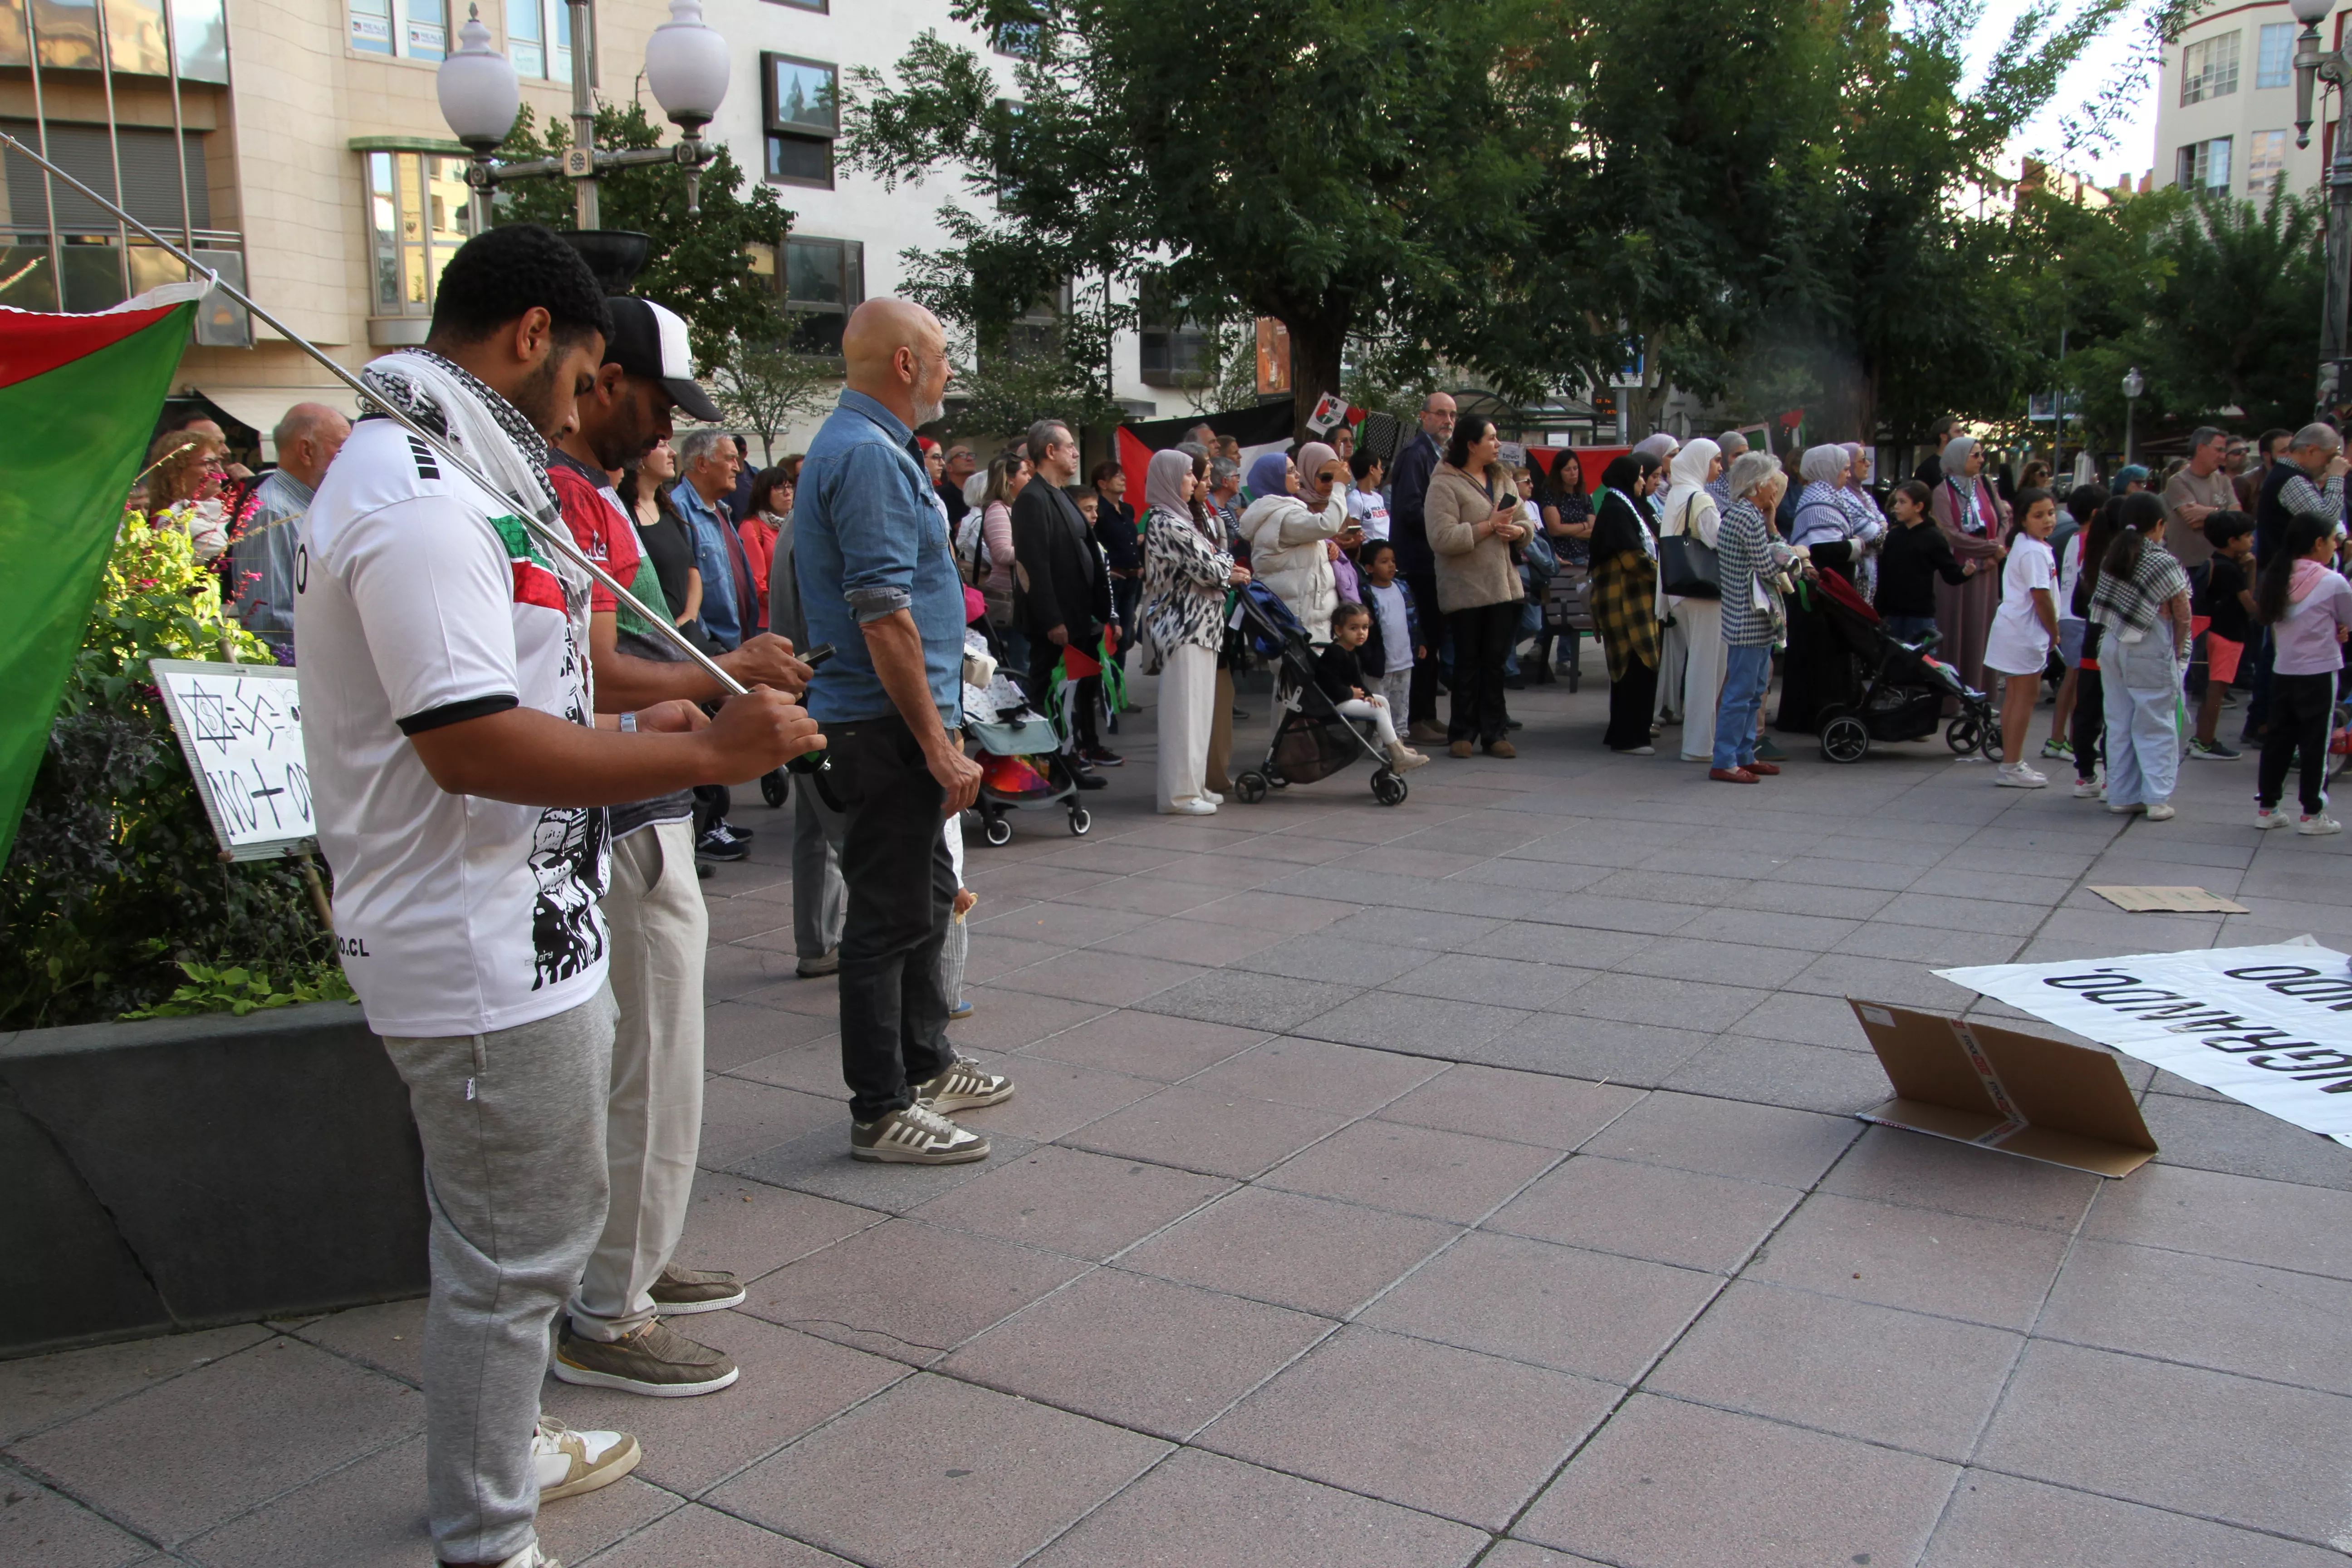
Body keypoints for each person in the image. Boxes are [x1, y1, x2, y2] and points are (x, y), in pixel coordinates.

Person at [295, 225, 821, 1568]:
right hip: (471, 952)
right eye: (586, 370)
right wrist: (709, 748)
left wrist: (697, 697)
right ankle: (489, 1533)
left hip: (529, 929)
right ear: (533, 336)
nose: (590, 403)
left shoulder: (470, 477)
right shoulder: (415, 495)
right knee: (512, 1251)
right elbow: (470, 739)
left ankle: (509, 1444)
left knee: (521, 1223)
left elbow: (554, 679)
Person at [544, 294, 812, 1399]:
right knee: (650, 1066)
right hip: (625, 815)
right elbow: (587, 668)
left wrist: (717, 670)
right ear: (599, 375)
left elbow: (614, 655)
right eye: (656, 404)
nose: (664, 431)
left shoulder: (582, 489)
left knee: (648, 1065)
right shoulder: (558, 491)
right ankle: (610, 1300)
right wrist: (716, 686)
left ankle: (626, 1262)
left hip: (636, 805)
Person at [794, 296, 1011, 1165]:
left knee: (922, 898)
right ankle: (880, 1107)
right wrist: (935, 741)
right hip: (880, 726)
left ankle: (922, 1064)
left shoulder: (869, 448)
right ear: (904, 366)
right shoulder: (868, 457)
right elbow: (882, 613)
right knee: (884, 919)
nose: (949, 368)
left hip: (888, 719)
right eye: (941, 354)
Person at [1139, 446, 1247, 813]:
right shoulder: (1164, 521)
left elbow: (1218, 556)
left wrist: (1223, 565)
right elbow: (1211, 568)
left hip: (1202, 624)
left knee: (1201, 712)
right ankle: (1179, 795)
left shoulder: (1182, 517)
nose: (1194, 481)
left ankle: (1195, 786)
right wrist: (1225, 569)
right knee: (1184, 714)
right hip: (1182, 624)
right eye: (1188, 474)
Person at [1012, 419, 1117, 775]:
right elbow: (1033, 566)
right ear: (1050, 451)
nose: (1075, 452)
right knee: (1050, 695)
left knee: (1073, 695)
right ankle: (1051, 767)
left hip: (1079, 619)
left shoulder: (1061, 494)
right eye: (1069, 446)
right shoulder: (1032, 499)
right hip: (1055, 624)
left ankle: (1068, 761)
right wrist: (1052, 619)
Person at [1424, 413, 1528, 758]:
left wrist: (1518, 532)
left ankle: (1494, 732)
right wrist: (1488, 526)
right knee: (1467, 661)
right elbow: (1441, 537)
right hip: (1466, 588)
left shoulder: (1503, 478)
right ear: (1471, 445)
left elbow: (1527, 522)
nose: (1498, 445)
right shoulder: (1444, 483)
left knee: (1496, 661)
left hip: (1503, 585)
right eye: (1491, 438)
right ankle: (1463, 732)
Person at [2087, 490, 2191, 820]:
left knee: (2118, 720)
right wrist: (2179, 650)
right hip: (2149, 642)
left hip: (2112, 644)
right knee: (2156, 721)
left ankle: (2120, 793)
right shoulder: (2162, 560)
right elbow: (2182, 610)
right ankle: (2157, 798)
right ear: (2159, 524)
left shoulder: (2112, 555)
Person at [2252, 513, 2352, 833]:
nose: (2336, 546)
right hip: (2319, 672)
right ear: (2319, 543)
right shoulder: (2332, 581)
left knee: (2279, 739)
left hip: (2284, 670)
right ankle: (2312, 812)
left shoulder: (2277, 577)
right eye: (2333, 540)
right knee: (2315, 742)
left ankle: (2267, 809)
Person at [227, 402, 351, 661]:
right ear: (306, 451)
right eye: (342, 446)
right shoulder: (272, 512)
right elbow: (271, 620)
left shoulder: (308, 503)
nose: (352, 456)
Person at [1709, 451, 1793, 784]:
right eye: (1772, 482)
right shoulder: (1746, 516)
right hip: (1747, 617)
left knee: (1755, 691)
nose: (1776, 489)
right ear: (1757, 485)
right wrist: (1783, 547)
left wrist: (1771, 528)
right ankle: (1725, 759)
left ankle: (1743, 753)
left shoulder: (1750, 514)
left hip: (1756, 618)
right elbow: (1771, 565)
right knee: (1741, 693)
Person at [1775, 445, 1864, 734]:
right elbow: (1825, 549)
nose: (1847, 474)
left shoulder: (1827, 496)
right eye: (1844, 468)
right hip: (1820, 597)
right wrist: (1858, 546)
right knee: (1818, 658)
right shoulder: (1819, 502)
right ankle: (1817, 716)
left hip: (1825, 596)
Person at [1389, 392, 1457, 742]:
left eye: (1453, 415)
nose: (1447, 421)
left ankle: (1428, 714)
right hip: (1417, 563)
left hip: (1434, 561)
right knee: (1423, 642)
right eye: (1441, 414)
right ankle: (1415, 718)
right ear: (1424, 417)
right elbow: (1410, 509)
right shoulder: (1417, 454)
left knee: (1434, 640)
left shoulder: (1439, 455)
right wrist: (1447, 525)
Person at [1985, 486, 2060, 789]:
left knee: (2017, 697)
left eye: (2051, 513)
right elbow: (2041, 597)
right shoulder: (2032, 551)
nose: (2047, 520)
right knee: (2024, 698)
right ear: (2023, 519)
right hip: (2024, 631)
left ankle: (2011, 762)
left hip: (2017, 629)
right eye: (2038, 515)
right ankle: (2012, 764)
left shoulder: (2030, 546)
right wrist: (2055, 632)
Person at [1657, 439, 1725, 763]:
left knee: (1699, 665)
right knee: (1706, 668)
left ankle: (1698, 743)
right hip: (1704, 593)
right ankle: (1700, 745)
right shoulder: (1700, 499)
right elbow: (1721, 541)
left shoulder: (1677, 493)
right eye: (1717, 461)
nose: (1720, 468)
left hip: (1680, 592)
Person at [1590, 451, 1663, 753]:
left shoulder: (1623, 506)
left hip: (1630, 599)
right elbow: (1632, 558)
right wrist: (1665, 574)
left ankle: (1626, 731)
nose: (1644, 481)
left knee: (1635, 667)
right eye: (1641, 475)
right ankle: (1628, 737)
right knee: (1633, 665)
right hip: (1625, 602)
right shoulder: (1617, 510)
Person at [1241, 444, 1349, 643]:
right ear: (1274, 478)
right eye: (1291, 471)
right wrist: (1340, 486)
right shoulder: (1282, 517)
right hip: (1301, 621)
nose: (1298, 475)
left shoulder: (1282, 512)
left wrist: (1323, 545)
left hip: (1306, 617)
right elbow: (1329, 525)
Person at [1930, 434, 2009, 697]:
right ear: (1958, 459)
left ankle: (1980, 693)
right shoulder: (1942, 492)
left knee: (1982, 630)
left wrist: (1996, 551)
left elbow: (2003, 519)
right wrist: (1991, 549)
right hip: (1958, 571)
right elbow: (1951, 534)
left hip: (1987, 570)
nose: (1981, 460)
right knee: (1955, 628)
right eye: (1975, 455)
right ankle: (1952, 696)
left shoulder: (1985, 484)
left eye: (1981, 454)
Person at [1316, 603, 1429, 771]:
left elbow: (1358, 681)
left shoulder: (1351, 651)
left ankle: (1396, 746)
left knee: (1381, 700)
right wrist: (1349, 693)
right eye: (1354, 628)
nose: (1361, 633)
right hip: (1336, 701)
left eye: (1365, 627)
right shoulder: (1334, 653)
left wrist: (1367, 695)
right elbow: (1326, 682)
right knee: (1378, 710)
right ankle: (1398, 755)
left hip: (1347, 697)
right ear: (1339, 630)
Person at [671, 428, 755, 652]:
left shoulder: (721, 509)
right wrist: (710, 647)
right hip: (717, 654)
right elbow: (682, 590)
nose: (738, 467)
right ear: (702, 464)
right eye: (730, 459)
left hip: (739, 645)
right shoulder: (678, 510)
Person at [2065, 491, 2123, 799]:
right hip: (2117, 643)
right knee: (2117, 711)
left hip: (2091, 643)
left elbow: (2077, 606)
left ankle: (2085, 774)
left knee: (2088, 709)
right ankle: (2116, 775)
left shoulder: (2092, 556)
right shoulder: (2125, 558)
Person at [2043, 481, 2104, 764]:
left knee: (2073, 679)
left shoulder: (2073, 538)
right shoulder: (2090, 541)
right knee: (2078, 681)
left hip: (2068, 615)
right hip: (2079, 617)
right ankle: (2063, 738)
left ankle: (2060, 738)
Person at [2188, 510, 2257, 762]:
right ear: (2232, 541)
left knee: (2212, 690)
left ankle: (2202, 737)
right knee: (2217, 691)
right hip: (2227, 635)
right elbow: (2249, 603)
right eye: (2248, 536)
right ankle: (2206, 740)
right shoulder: (2230, 570)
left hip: (2211, 632)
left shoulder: (2214, 562)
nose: (2251, 541)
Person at [1877, 479, 1972, 646]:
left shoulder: (1933, 537)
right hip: (1893, 614)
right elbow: (1884, 575)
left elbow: (1950, 572)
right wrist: (1879, 609)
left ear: (1919, 507)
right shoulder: (1894, 536)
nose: (1896, 507)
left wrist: (1964, 572)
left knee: (1917, 664)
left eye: (1902, 502)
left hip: (1919, 616)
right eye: (1896, 502)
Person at [620, 441, 701, 634]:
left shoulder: (669, 510)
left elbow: (692, 571)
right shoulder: (621, 513)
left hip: (684, 634)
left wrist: (689, 617)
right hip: (650, 638)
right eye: (663, 445)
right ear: (640, 457)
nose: (673, 452)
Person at [965, 449, 1026, 653]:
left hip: (1019, 594)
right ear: (1009, 479)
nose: (1029, 479)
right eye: (1024, 474)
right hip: (1008, 596)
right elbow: (1002, 553)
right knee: (1019, 658)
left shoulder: (1012, 507)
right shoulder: (999, 510)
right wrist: (1038, 550)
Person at [1092, 458, 1142, 696]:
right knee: (1110, 636)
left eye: (1123, 474)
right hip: (1111, 581)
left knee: (1125, 638)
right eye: (1117, 476)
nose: (1124, 479)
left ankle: (1117, 693)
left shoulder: (1127, 509)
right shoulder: (1097, 511)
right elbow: (1090, 543)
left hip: (1132, 580)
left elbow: (1131, 540)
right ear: (1102, 483)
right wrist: (1103, 570)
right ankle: (1103, 694)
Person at [144, 426, 231, 562]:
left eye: (218, 462)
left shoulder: (215, 512)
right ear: (176, 472)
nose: (220, 471)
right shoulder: (180, 522)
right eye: (208, 463)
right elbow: (242, 557)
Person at [1359, 537, 1421, 718]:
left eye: (1393, 561)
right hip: (1382, 663)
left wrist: (1420, 642)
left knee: (1401, 706)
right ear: (1369, 568)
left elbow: (1413, 617)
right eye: (1384, 562)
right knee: (1379, 705)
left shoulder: (1402, 587)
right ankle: (1378, 744)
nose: (1391, 566)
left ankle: (1399, 740)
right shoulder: (1367, 594)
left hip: (1404, 659)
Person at [736, 466, 794, 630]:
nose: (787, 492)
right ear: (763, 493)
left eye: (790, 486)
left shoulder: (796, 524)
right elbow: (757, 584)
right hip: (767, 622)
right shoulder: (752, 527)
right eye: (779, 487)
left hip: (798, 617)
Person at [1347, 446, 1391, 542]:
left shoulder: (1378, 497)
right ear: (1372, 469)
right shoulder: (1355, 500)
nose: (1382, 472)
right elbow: (1353, 538)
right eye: (1380, 467)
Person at [938, 443, 976, 532]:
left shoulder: (981, 491)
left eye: (971, 455)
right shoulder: (944, 495)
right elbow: (964, 530)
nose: (969, 459)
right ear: (949, 467)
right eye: (962, 456)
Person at [1914, 416, 1960, 489]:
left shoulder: (1963, 465)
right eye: (1958, 432)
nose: (1963, 435)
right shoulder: (1926, 469)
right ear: (1944, 437)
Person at [1709, 431, 1749, 510]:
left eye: (1746, 454)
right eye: (1737, 455)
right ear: (1722, 457)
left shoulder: (1750, 483)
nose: (1744, 460)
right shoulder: (1713, 487)